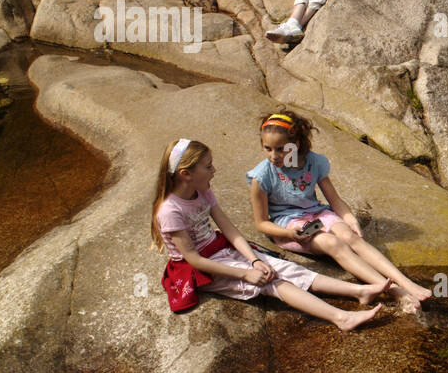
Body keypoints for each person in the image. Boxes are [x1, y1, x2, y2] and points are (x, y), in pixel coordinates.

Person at [153, 137, 387, 330]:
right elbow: (194, 259)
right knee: (271, 281)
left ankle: (360, 291)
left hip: (220, 247)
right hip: (201, 268)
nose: (214, 170)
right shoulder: (170, 211)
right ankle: (341, 318)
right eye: (208, 166)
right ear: (186, 174)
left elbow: (229, 229)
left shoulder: (202, 190)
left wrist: (254, 259)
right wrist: (245, 274)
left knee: (281, 268)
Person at [247, 110, 434, 314]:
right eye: (268, 148)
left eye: (281, 149)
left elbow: (334, 199)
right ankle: (397, 292)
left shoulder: (313, 162)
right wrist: (289, 234)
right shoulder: (262, 176)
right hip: (288, 225)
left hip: (316, 214)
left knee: (350, 236)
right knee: (333, 243)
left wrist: (349, 219)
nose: (274, 156)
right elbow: (261, 223)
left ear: (296, 144)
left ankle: (406, 282)